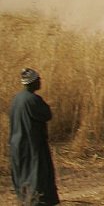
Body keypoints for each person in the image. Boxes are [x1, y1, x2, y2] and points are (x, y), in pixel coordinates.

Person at [9, 68, 60, 206]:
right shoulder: (33, 99)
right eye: (38, 79)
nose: (40, 82)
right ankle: (37, 201)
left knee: (23, 174)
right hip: (32, 145)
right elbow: (47, 115)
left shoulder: (16, 99)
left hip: (16, 145)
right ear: (32, 83)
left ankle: (24, 200)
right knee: (37, 174)